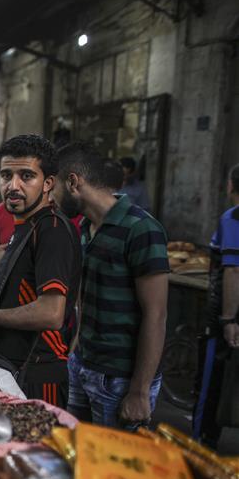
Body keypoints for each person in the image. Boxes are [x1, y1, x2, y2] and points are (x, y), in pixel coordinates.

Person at [0, 135, 81, 407]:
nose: (13, 186)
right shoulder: (27, 225)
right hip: (12, 366)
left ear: (48, 183)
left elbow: (50, 313)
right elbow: (24, 294)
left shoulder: (51, 231)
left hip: (38, 373)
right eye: (6, 175)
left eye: (26, 176)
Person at [54, 141, 169, 429]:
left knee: (112, 457)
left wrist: (139, 391)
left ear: (73, 183)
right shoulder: (84, 227)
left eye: (52, 187)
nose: (50, 197)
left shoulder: (141, 229)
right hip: (83, 365)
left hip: (119, 380)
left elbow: (156, 315)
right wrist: (77, 346)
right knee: (78, 450)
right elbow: (86, 294)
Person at [193, 164, 239, 448]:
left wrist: (228, 319)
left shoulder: (232, 218)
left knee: (210, 384)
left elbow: (233, 270)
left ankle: (201, 445)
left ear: (231, 185)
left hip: (225, 319)